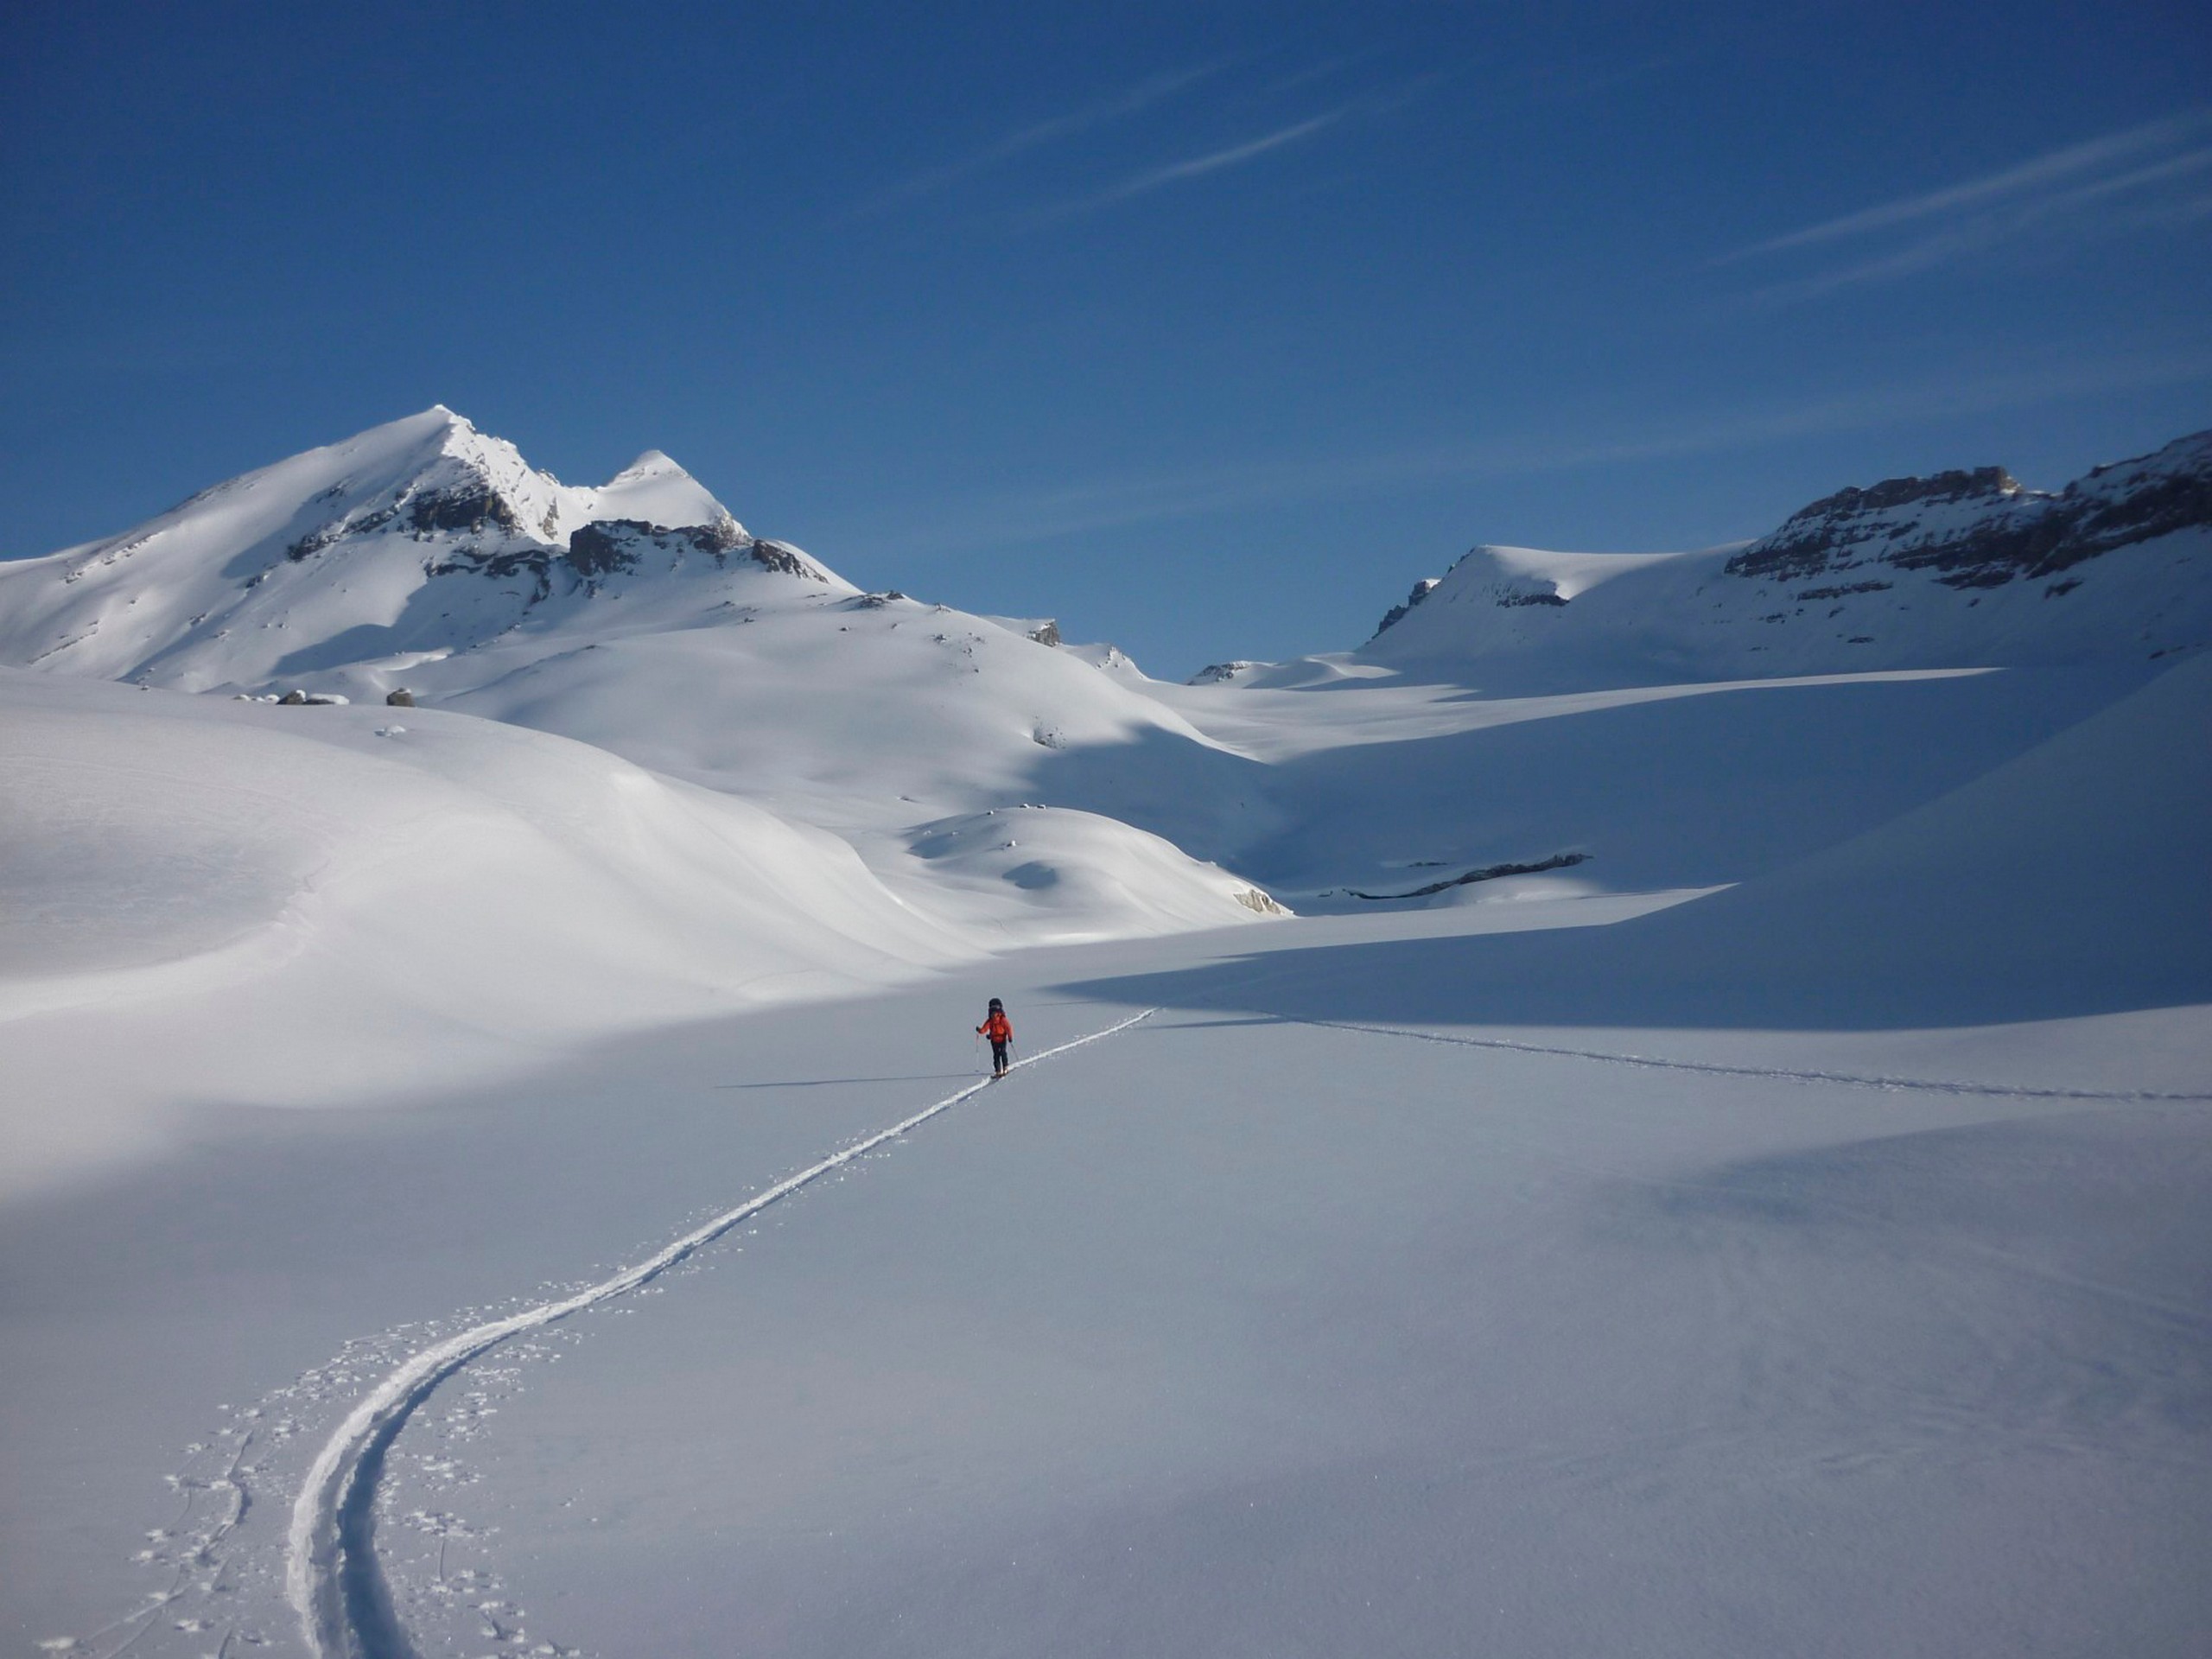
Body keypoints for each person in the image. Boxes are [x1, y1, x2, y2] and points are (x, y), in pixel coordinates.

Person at [977, 997, 1013, 1077]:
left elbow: (1008, 1028)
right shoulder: (990, 1021)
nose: (994, 1014)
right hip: (994, 1040)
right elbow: (985, 1028)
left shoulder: (1002, 1019)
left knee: (1002, 1053)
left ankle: (1005, 1067)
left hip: (1002, 1039)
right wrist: (980, 1031)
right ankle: (998, 1071)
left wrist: (1010, 1037)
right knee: (996, 1055)